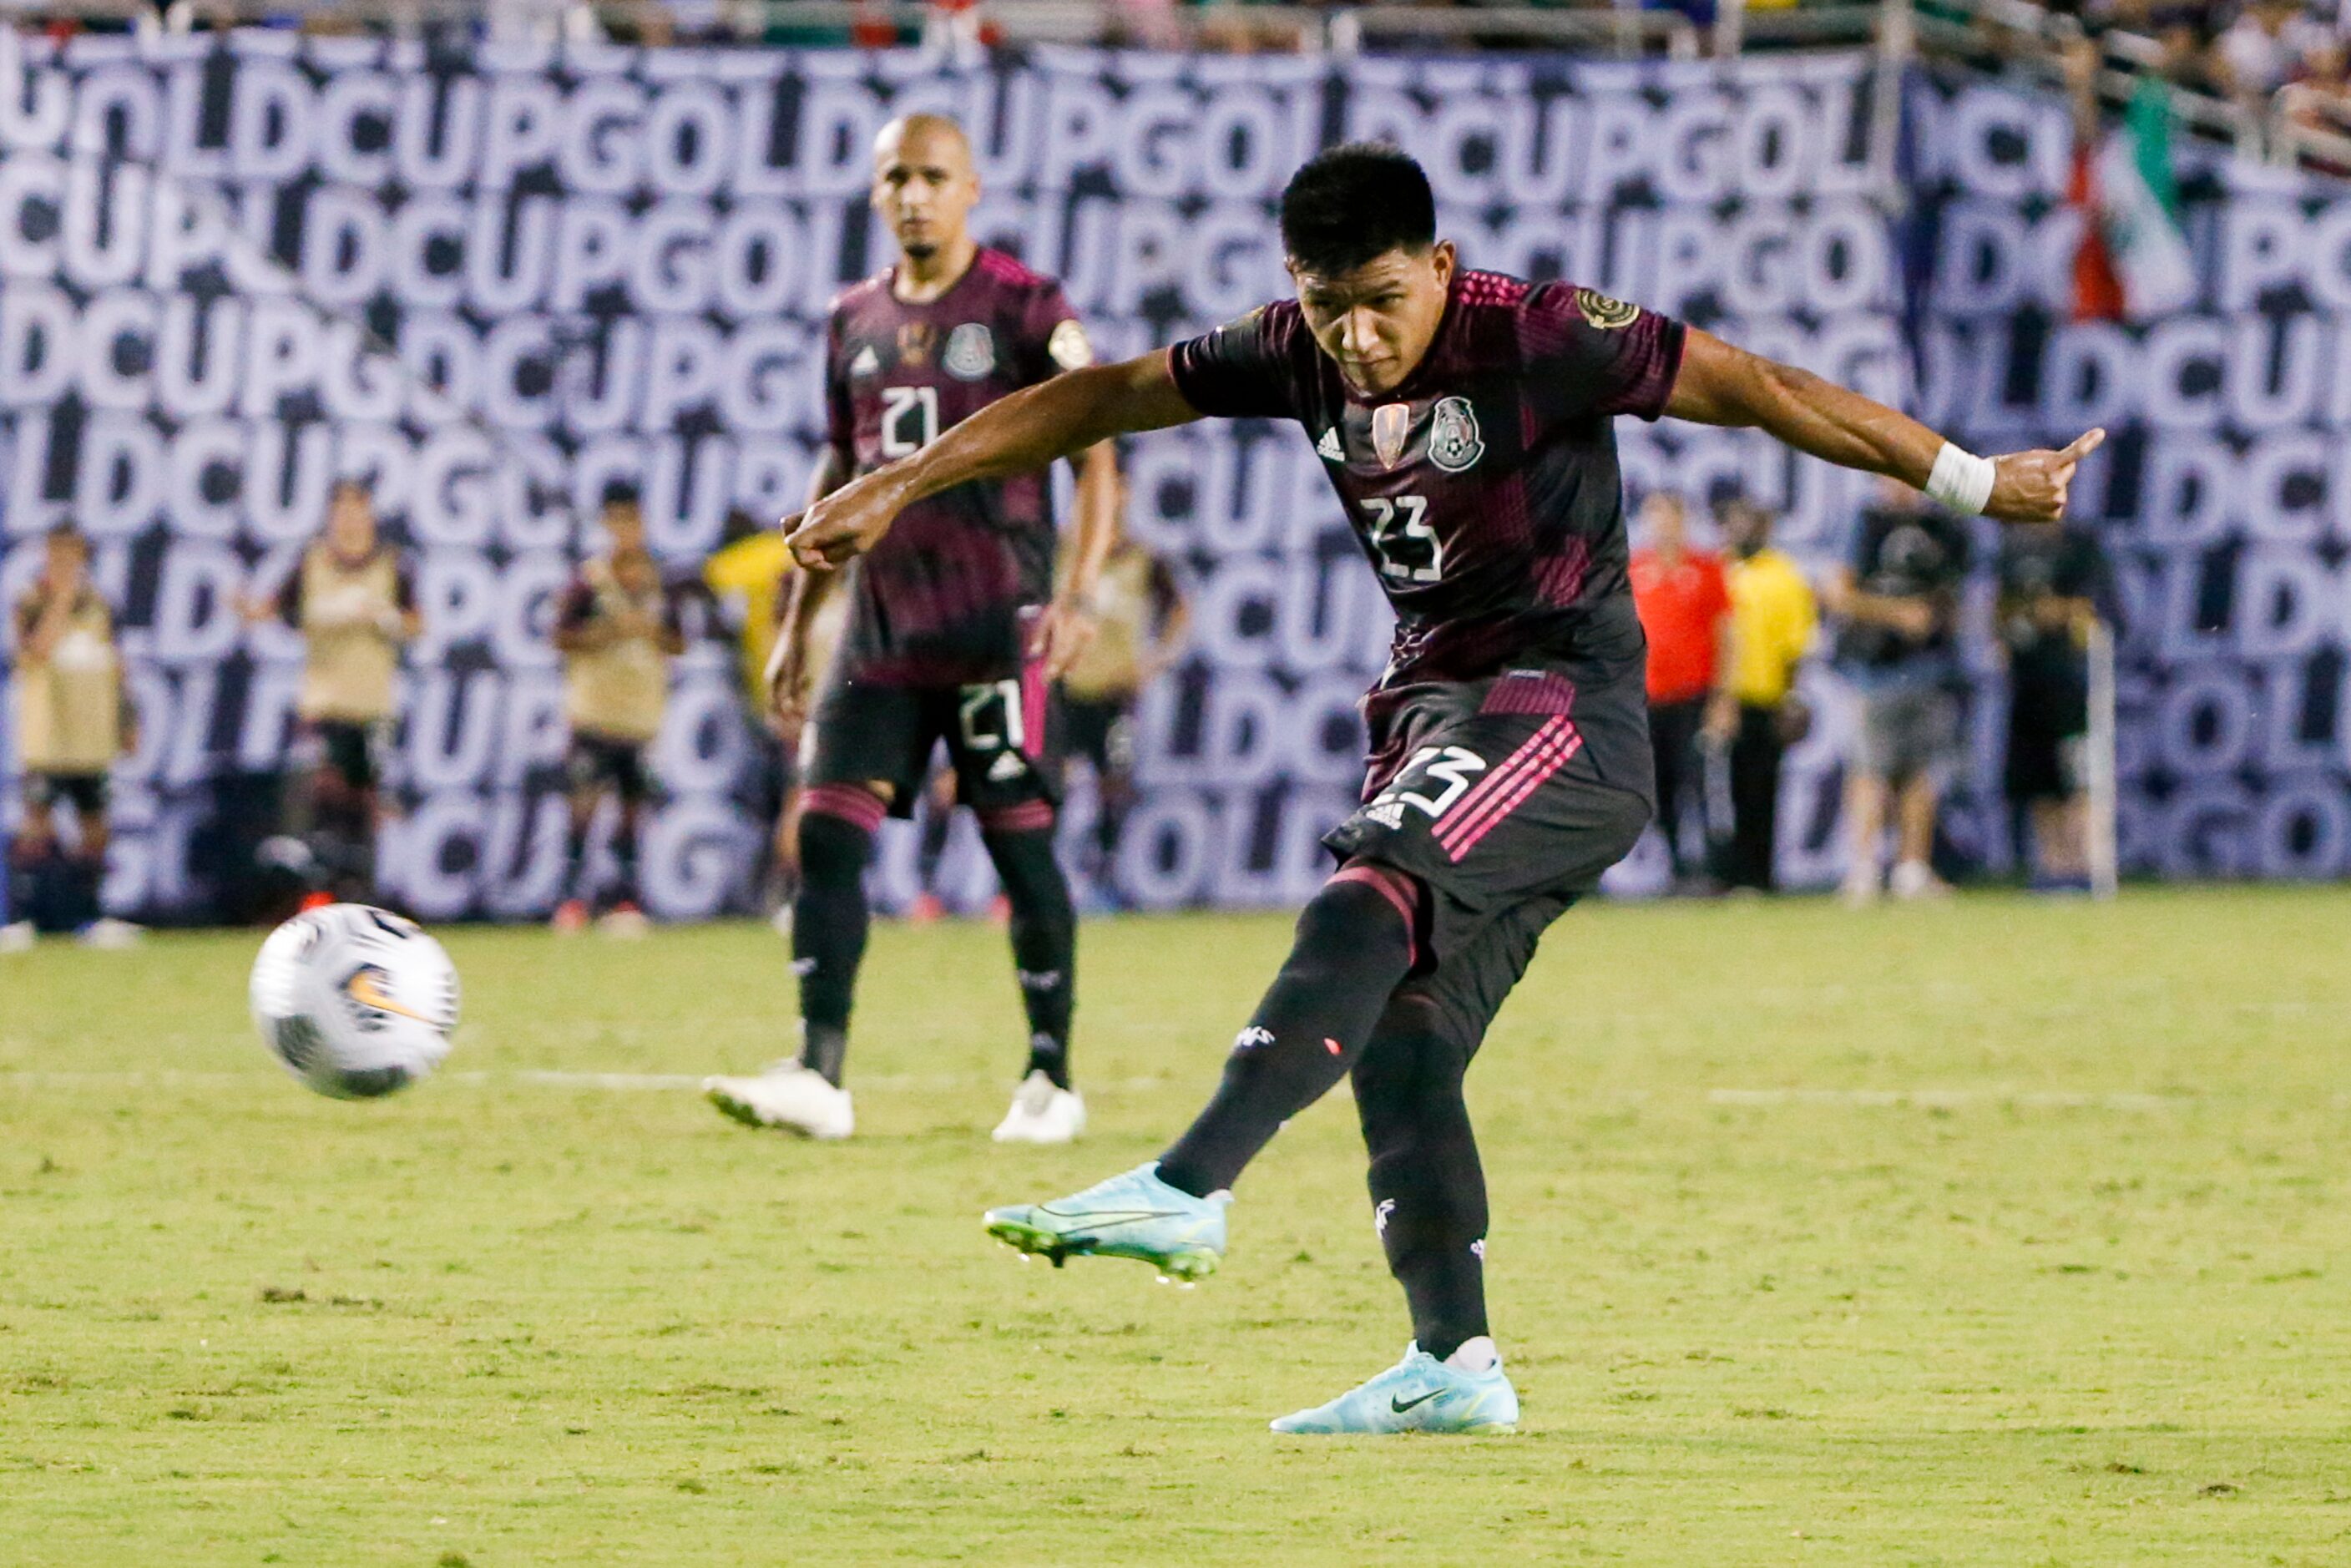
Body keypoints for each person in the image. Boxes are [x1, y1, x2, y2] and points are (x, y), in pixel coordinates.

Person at [778, 143, 2100, 1434]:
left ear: (1442, 266)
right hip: (1436, 707)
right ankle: (1452, 1360)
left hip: (1562, 702)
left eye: (1381, 301)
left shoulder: (1539, 333)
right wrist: (897, 481)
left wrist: (1977, 481)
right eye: (1325, 304)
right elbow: (1104, 397)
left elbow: (1755, 385)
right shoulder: (1294, 346)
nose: (1352, 338)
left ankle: (1188, 1182)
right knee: (1403, 1037)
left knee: (1369, 889)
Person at [701, 113, 1120, 1146]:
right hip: (881, 632)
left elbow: (1097, 450)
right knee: (828, 837)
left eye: (933, 175)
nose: (914, 193)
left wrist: (1077, 593)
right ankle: (818, 1071)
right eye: (896, 176)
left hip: (997, 630)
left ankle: (1049, 1078)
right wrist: (799, 621)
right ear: (875, 192)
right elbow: (838, 467)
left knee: (1020, 854)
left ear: (971, 187)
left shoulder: (1026, 306)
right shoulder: (850, 318)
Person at [245, 479, 418, 907]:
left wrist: (388, 620)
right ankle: (320, 894)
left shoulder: (392, 564)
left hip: (373, 702)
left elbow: (418, 624)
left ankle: (359, 893)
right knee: (324, 799)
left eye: (357, 509)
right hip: (324, 700)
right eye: (341, 509)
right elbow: (271, 610)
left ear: (370, 513)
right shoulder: (313, 562)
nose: (349, 518)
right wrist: (249, 611)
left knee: (365, 803)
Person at [1825, 478, 1974, 905]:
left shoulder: (1943, 528)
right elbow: (1837, 593)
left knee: (1921, 772)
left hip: (1930, 667)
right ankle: (1864, 869)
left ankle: (1911, 868)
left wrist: (1944, 621)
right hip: (1876, 669)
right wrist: (1896, 614)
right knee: (1870, 771)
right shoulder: (1865, 524)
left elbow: (1955, 594)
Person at [550, 484, 687, 936]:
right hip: (593, 714)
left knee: (632, 811)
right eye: (619, 523)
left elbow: (680, 641)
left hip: (641, 718)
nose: (627, 533)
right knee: (584, 809)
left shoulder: (660, 582)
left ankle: (625, 899)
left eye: (634, 522)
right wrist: (608, 632)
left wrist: (651, 632)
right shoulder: (589, 582)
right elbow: (561, 637)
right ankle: (571, 899)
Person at [3, 523, 140, 950]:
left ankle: (90, 918)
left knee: (95, 827)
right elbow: (35, 652)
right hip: (47, 741)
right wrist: (60, 599)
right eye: (57, 556)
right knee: (36, 826)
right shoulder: (31, 602)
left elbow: (118, 667)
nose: (65, 565)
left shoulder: (101, 606)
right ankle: (23, 919)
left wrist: (126, 719)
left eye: (73, 556)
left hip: (90, 741)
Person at [1055, 520, 1191, 907]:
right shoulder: (1064, 549)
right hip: (1062, 689)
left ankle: (1101, 882)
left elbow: (1181, 608)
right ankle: (1032, 886)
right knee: (1047, 786)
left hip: (1114, 695)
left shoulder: (1141, 556)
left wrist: (1156, 660)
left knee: (1113, 787)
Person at [1709, 497, 1818, 893]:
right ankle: (1722, 871)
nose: (1743, 532)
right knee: (1717, 791)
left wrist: (1790, 697)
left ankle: (1759, 874)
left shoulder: (1784, 575)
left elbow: (1796, 645)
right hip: (1716, 699)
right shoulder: (1715, 567)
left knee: (1760, 788)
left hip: (1764, 697)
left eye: (1751, 524)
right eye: (1736, 523)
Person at [1997, 518, 2113, 890]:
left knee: (2080, 778)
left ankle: (2084, 865)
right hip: (2027, 680)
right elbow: (2002, 608)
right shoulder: (2012, 549)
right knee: (2039, 780)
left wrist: (2058, 611)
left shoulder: (2079, 547)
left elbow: (2100, 609)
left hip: (2073, 682)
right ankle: (2052, 865)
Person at [1626, 491, 1731, 889]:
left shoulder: (1706, 568)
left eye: (1670, 517)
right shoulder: (1635, 570)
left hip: (1694, 696)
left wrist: (1723, 698)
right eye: (1656, 517)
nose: (1663, 526)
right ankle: (1674, 867)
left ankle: (1709, 867)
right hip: (1648, 698)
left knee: (1699, 782)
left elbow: (1725, 635)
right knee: (1661, 786)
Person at [703, 507, 798, 913]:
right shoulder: (787, 552)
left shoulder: (737, 563)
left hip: (773, 698)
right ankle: (780, 891)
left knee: (789, 800)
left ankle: (779, 891)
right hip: (808, 695)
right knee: (797, 798)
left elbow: (706, 588)